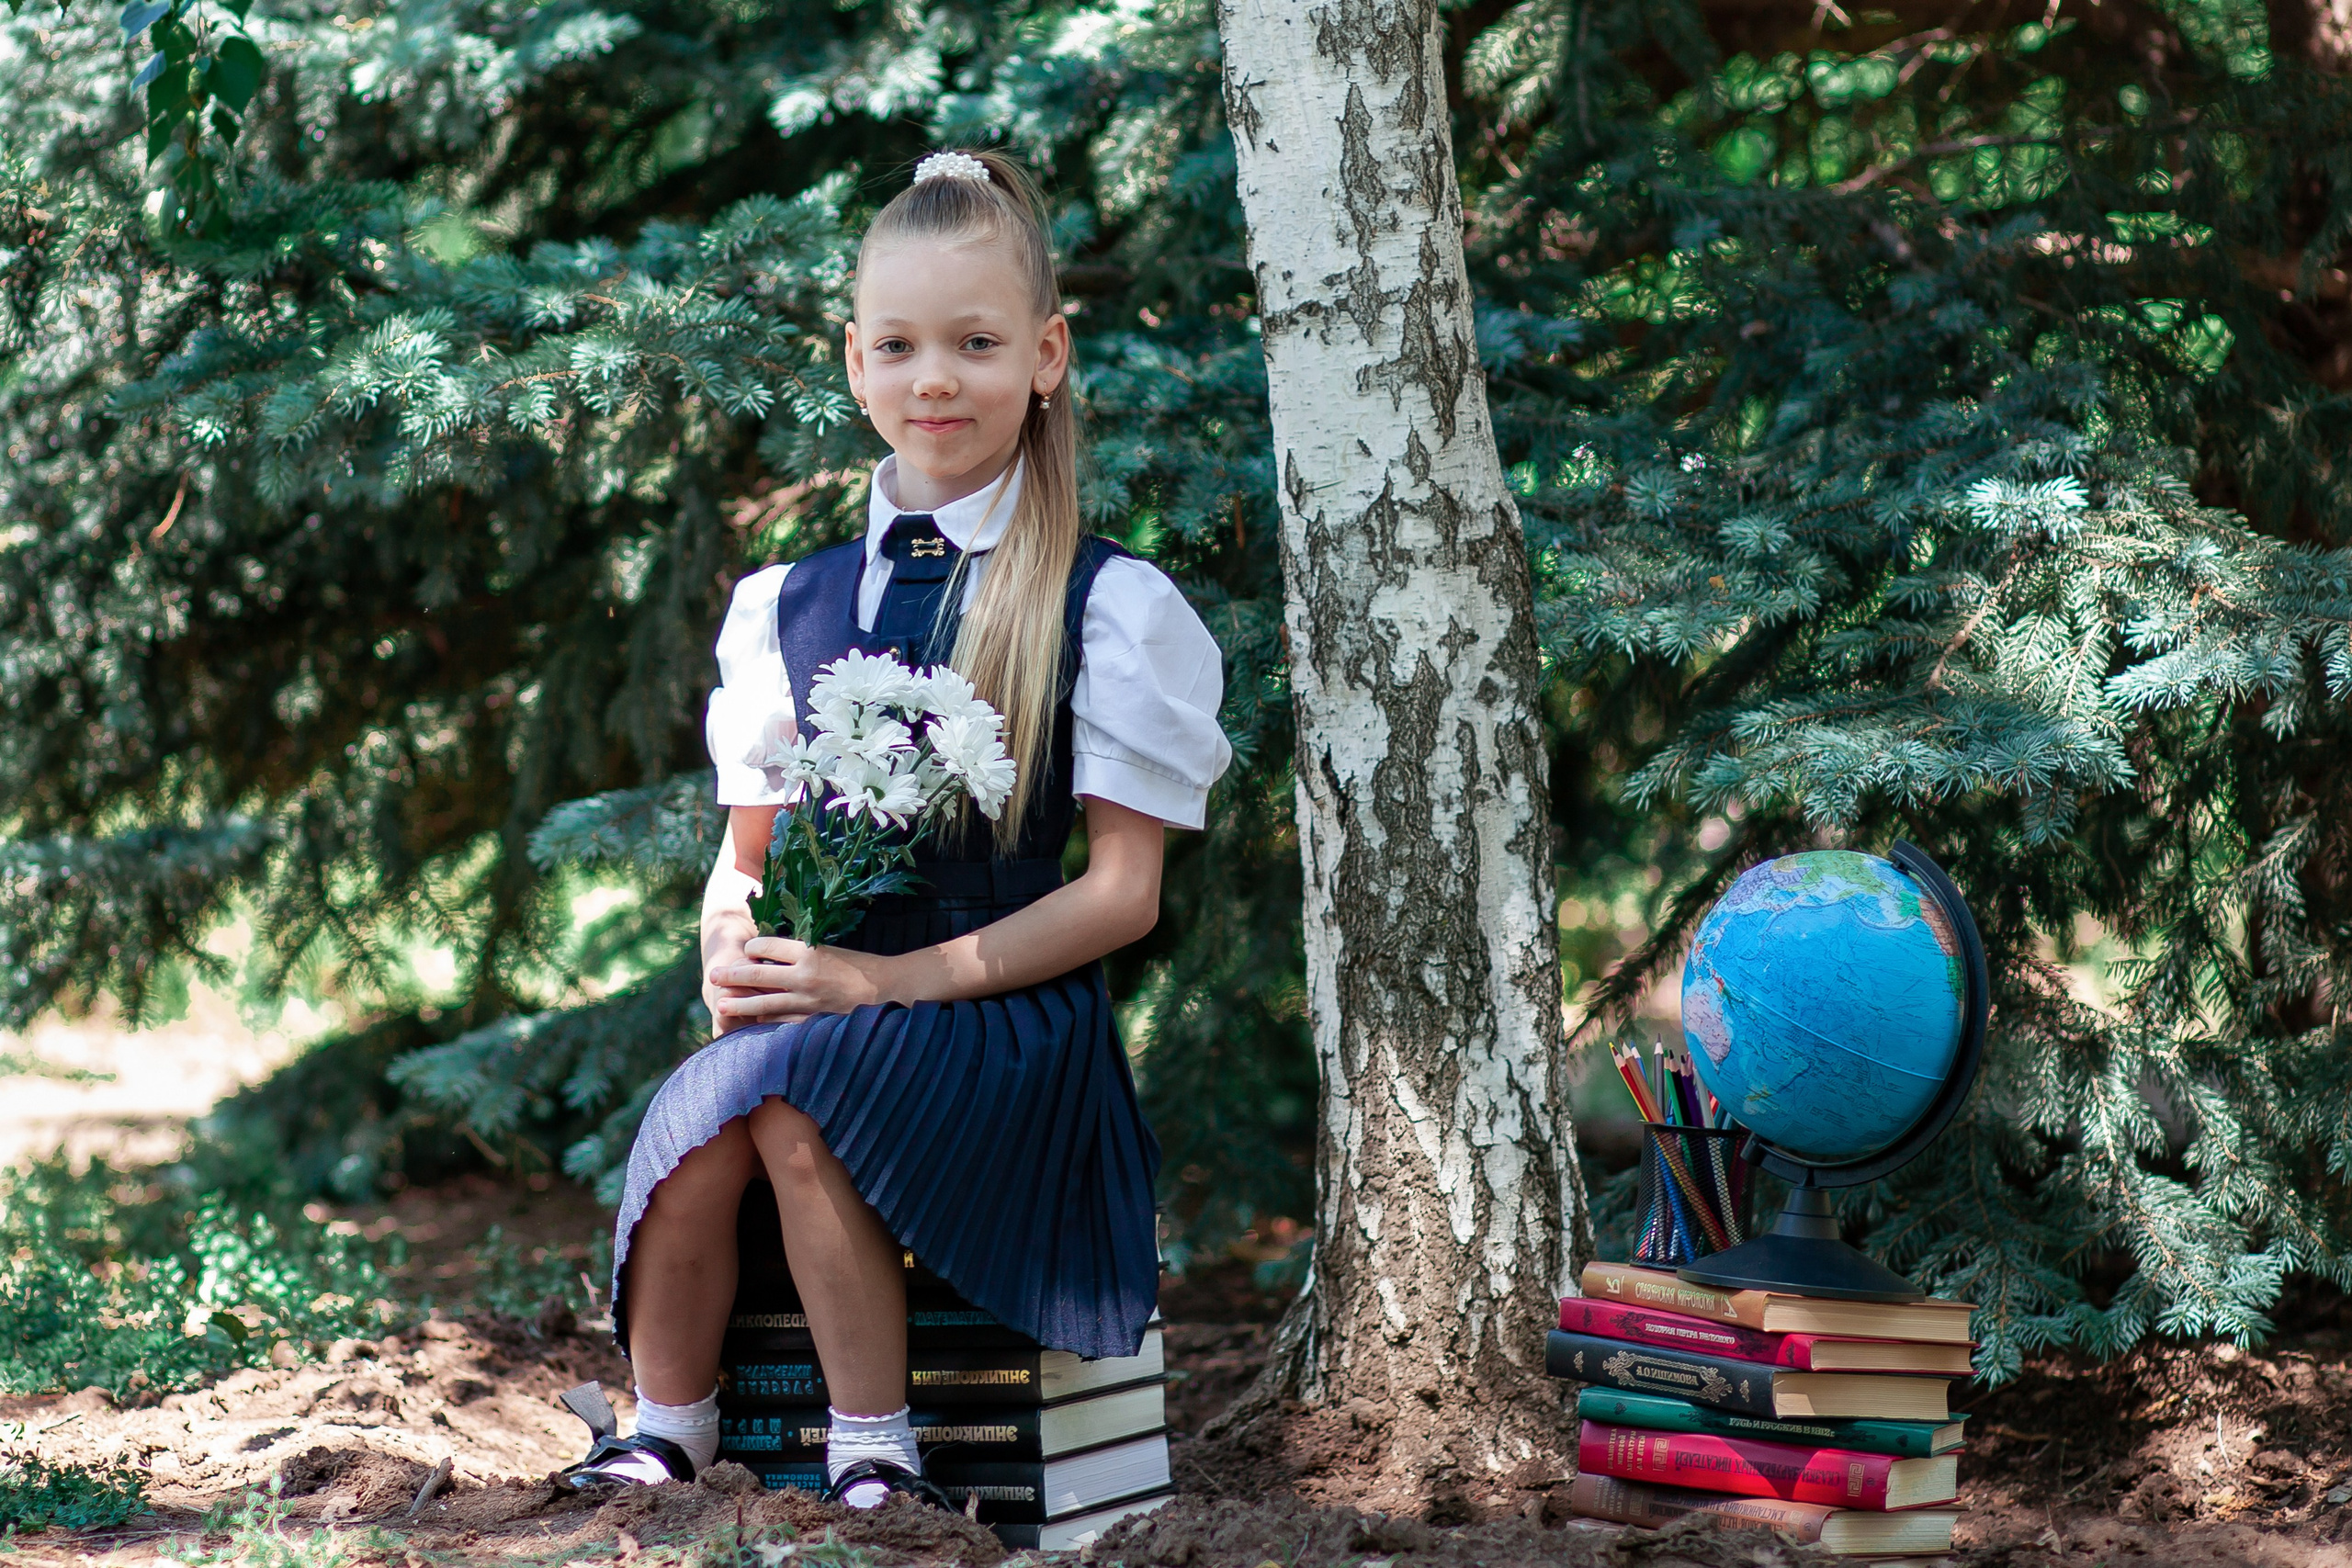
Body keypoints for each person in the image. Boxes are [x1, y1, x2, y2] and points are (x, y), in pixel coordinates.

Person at [558, 148, 1232, 1508]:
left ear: (1045, 356)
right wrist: (729, 943)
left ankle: (874, 1446)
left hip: (1001, 1012)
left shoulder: (1105, 605)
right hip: (819, 997)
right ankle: (670, 1420)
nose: (937, 380)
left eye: (977, 344)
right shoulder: (783, 605)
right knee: (699, 1119)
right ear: (853, 362)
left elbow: (1122, 896)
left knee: (802, 1106)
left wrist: (887, 981)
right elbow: (741, 861)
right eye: (903, 346)